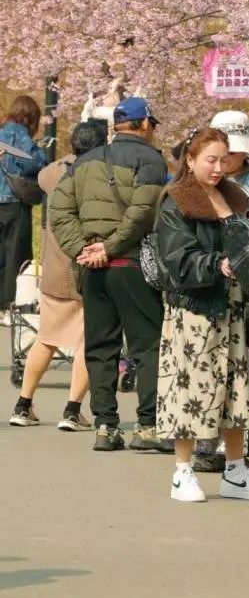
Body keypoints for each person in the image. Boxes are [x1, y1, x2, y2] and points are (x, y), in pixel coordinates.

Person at [49, 96, 171, 453]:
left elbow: (59, 210)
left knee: (101, 346)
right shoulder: (150, 160)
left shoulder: (84, 161)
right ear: (145, 124)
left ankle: (105, 426)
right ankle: (147, 425)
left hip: (93, 271)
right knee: (146, 345)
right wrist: (112, 248)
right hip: (131, 266)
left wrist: (83, 250)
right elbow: (143, 212)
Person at [155, 127, 249, 504]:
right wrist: (219, 264)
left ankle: (235, 470)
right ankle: (182, 472)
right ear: (191, 160)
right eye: (210, 160)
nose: (217, 168)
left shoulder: (233, 195)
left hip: (231, 306)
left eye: (223, 159)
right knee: (190, 389)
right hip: (194, 309)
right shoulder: (176, 201)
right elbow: (175, 261)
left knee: (235, 389)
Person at [10, 121, 108, 430]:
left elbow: (40, 173)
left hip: (53, 269)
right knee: (87, 342)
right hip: (87, 267)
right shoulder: (100, 177)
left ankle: (23, 405)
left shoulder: (53, 172)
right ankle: (72, 410)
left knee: (46, 338)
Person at [0, 95, 48, 322]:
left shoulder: (1, 131)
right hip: (13, 202)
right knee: (15, 255)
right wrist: (40, 153)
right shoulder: (18, 133)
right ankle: (8, 306)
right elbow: (34, 162)